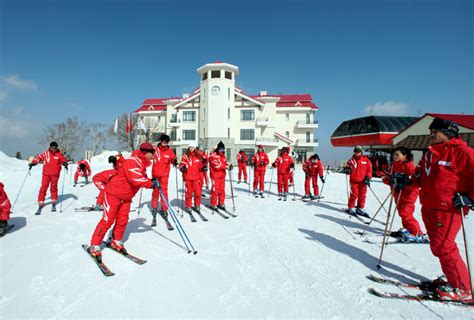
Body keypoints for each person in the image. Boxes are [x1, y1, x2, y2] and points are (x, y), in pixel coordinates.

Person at [412, 118, 473, 302]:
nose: (431, 134)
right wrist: (406, 180)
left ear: (448, 133)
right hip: (429, 205)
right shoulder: (430, 153)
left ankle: (463, 288)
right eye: (431, 131)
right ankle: (454, 276)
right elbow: (421, 175)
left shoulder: (463, 152)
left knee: (445, 246)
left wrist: (470, 197)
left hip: (449, 208)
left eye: (435, 131)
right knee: (438, 246)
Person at [89, 143, 159, 258]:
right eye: (153, 153)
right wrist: (151, 184)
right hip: (114, 194)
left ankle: (116, 241)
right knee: (108, 220)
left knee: (123, 220)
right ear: (146, 152)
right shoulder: (132, 161)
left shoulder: (141, 164)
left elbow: (141, 177)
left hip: (126, 197)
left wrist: (151, 180)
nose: (154, 155)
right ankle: (95, 244)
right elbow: (135, 178)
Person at [382, 147, 426, 242]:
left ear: (405, 155)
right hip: (397, 193)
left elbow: (415, 183)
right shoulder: (393, 166)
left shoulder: (410, 167)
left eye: (397, 154)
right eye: (394, 154)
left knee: (406, 213)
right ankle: (408, 229)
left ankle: (417, 233)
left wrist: (406, 183)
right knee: (402, 213)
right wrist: (390, 181)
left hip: (408, 194)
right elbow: (386, 177)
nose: (394, 156)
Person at [29, 141, 68, 211]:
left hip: (55, 174)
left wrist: (64, 163)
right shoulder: (46, 153)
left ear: (57, 147)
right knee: (44, 186)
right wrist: (33, 162)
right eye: (52, 147)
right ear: (50, 147)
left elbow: (63, 159)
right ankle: (41, 200)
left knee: (53, 187)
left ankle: (54, 199)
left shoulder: (59, 154)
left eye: (55, 147)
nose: (54, 149)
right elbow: (38, 157)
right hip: (46, 174)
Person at [151, 134, 177, 222]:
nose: (164, 143)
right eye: (163, 142)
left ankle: (164, 210)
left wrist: (175, 161)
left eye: (166, 142)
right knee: (155, 192)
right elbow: (147, 156)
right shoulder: (155, 150)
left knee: (164, 193)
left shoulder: (169, 151)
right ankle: (154, 208)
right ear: (161, 141)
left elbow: (173, 158)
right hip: (155, 175)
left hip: (164, 176)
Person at [344, 146, 372, 216]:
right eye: (356, 151)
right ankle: (351, 207)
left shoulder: (366, 160)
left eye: (358, 152)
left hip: (363, 181)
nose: (357, 153)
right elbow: (348, 167)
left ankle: (360, 208)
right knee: (354, 194)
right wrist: (347, 170)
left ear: (361, 152)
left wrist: (368, 178)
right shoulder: (351, 160)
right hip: (354, 181)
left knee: (362, 195)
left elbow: (369, 170)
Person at [179, 143, 205, 214]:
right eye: (190, 147)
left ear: (194, 148)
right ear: (188, 148)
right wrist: (182, 168)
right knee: (189, 193)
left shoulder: (197, 157)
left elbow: (200, 166)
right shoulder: (185, 156)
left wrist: (203, 168)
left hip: (196, 178)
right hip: (188, 177)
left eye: (192, 147)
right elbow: (181, 164)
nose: (191, 148)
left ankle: (197, 205)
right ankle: (188, 206)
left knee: (197, 193)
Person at [208, 141, 232, 210]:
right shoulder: (213, 156)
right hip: (215, 176)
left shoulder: (223, 156)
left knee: (222, 190)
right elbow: (217, 166)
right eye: (220, 149)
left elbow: (225, 163)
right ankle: (213, 204)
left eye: (223, 149)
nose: (222, 150)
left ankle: (221, 203)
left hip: (222, 176)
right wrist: (226, 167)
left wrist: (229, 166)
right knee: (215, 191)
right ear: (218, 149)